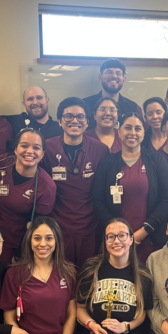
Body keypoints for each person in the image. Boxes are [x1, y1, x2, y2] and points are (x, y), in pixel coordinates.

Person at [93, 112, 168, 263]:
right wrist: (119, 234)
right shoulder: (107, 164)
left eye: (138, 128)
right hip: (117, 242)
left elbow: (167, 199)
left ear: (144, 133)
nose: (132, 133)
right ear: (119, 132)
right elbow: (98, 201)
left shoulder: (156, 160)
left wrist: (144, 231)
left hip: (150, 238)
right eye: (128, 128)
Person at [41, 97, 109, 266]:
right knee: (62, 278)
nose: (74, 121)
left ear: (87, 122)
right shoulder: (46, 148)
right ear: (59, 121)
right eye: (68, 116)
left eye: (80, 117)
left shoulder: (100, 150)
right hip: (58, 227)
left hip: (91, 228)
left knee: (88, 277)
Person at [0, 128, 56, 261]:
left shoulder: (47, 187)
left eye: (36, 148)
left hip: (17, 245)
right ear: (15, 149)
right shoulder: (2, 163)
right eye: (24, 146)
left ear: (42, 154)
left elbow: (38, 226)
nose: (30, 151)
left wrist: (20, 254)